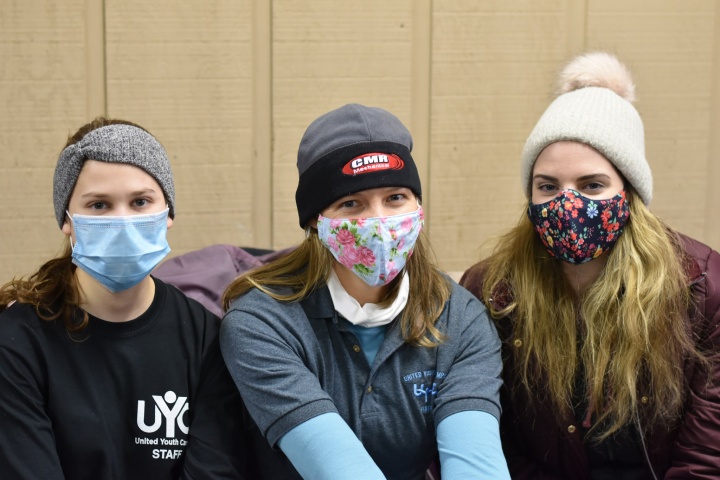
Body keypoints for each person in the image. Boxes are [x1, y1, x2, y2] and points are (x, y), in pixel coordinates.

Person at [460, 52, 720, 479]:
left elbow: (705, 459)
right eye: (548, 186)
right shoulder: (492, 290)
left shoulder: (700, 288)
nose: (568, 203)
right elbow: (489, 444)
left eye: (592, 185)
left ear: (629, 193)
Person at [219, 103, 510, 480]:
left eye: (395, 198)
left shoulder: (460, 318)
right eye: (351, 203)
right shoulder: (262, 322)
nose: (378, 222)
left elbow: (477, 465)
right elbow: (337, 468)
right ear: (315, 222)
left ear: (417, 206)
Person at [0, 118, 246, 479]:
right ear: (67, 220)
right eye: (99, 205)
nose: (122, 222)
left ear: (167, 214)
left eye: (140, 202)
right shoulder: (16, 342)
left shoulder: (206, 338)